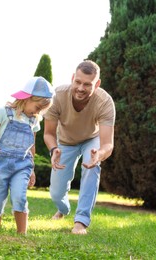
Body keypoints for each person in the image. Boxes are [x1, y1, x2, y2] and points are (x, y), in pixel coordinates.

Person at [0, 76, 54, 234]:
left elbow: (32, 146)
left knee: (19, 196)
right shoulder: (4, 112)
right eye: (37, 107)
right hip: (0, 164)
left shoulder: (34, 121)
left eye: (40, 110)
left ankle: (21, 233)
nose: (37, 112)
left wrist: (32, 169)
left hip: (22, 165)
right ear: (27, 98)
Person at [43, 60, 115, 235]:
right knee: (56, 192)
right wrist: (53, 150)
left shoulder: (105, 102)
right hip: (65, 142)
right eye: (78, 82)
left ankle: (81, 222)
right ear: (73, 78)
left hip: (91, 140)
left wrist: (99, 154)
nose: (81, 88)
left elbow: (107, 144)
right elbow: (49, 133)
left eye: (87, 84)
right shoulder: (57, 96)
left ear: (96, 84)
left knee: (92, 164)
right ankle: (63, 209)